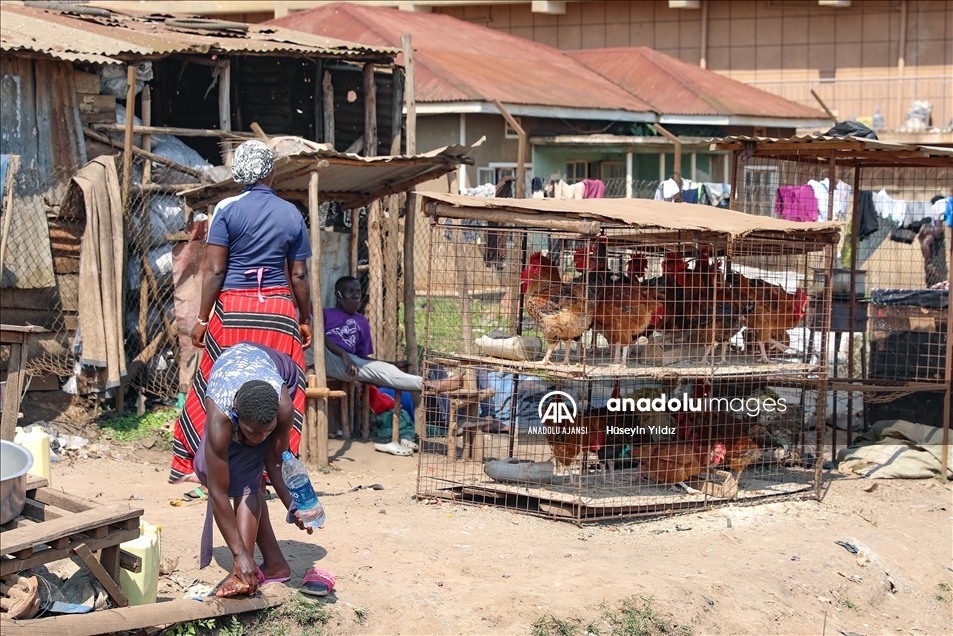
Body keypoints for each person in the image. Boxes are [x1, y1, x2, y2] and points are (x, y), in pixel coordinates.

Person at [171, 140, 312, 484]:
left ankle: (196, 465)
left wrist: (203, 319)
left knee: (215, 383)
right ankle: (270, 470)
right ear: (271, 172)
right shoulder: (291, 213)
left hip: (234, 311)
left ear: (239, 174)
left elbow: (215, 271)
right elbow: (298, 275)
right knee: (283, 389)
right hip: (278, 314)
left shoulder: (226, 209)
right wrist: (304, 319)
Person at [193, 342, 316, 598]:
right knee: (208, 469)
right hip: (232, 376)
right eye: (252, 433)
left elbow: (276, 462)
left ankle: (245, 574)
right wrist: (240, 553)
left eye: (267, 431)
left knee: (247, 479)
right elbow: (217, 492)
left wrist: (295, 507)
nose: (260, 439)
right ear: (236, 416)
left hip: (278, 370)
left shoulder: (282, 409)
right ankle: (265, 564)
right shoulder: (221, 416)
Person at [323, 276, 462, 394]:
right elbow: (316, 337)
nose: (355, 295)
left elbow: (361, 358)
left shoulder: (362, 321)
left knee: (387, 370)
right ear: (338, 295)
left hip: (346, 366)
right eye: (350, 291)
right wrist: (342, 353)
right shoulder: (325, 314)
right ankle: (430, 384)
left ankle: (429, 384)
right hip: (324, 356)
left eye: (358, 292)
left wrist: (390, 364)